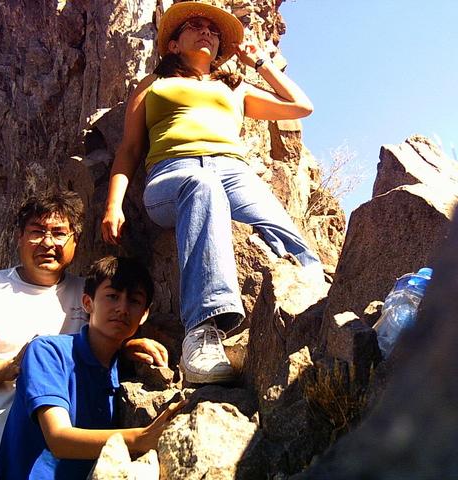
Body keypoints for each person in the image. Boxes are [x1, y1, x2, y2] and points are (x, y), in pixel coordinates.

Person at [101, 1, 323, 384]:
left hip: (233, 171)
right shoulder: (155, 84)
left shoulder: (233, 88)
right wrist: (113, 203)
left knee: (286, 235)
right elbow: (130, 149)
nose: (207, 30)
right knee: (201, 186)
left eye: (213, 29)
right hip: (174, 173)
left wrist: (259, 63)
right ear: (172, 44)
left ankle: (323, 304)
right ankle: (202, 333)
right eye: (194, 25)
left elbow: (301, 106)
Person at [0, 191, 167, 480]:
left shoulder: (93, 294)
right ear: (20, 238)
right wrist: (9, 368)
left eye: (59, 233)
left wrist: (127, 347)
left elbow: (96, 349)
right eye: (37, 232)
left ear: (75, 240)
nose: (48, 243)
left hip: (41, 466)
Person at [0, 256, 183, 479]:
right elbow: (58, 439)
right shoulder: (48, 352)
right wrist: (140, 439)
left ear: (144, 315)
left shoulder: (123, 369)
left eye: (133, 301)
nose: (122, 308)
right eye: (112, 296)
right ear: (88, 302)